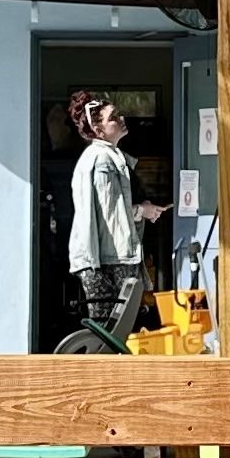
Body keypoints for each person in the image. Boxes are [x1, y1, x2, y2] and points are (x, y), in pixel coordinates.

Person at [63, 95, 163, 346]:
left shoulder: (107, 156)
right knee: (111, 335)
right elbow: (112, 211)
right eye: (113, 117)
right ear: (99, 130)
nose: (121, 118)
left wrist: (143, 209)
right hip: (107, 258)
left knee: (111, 332)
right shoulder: (102, 159)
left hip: (105, 256)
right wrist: (143, 210)